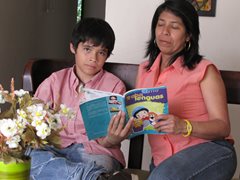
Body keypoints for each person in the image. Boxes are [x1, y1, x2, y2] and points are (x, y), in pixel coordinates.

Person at [136, 0, 237, 179]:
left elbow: (222, 127)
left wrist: (184, 125)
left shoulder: (204, 69)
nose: (164, 32)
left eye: (174, 27)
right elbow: (141, 120)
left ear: (189, 35)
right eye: (160, 25)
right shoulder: (145, 69)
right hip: (164, 162)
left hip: (211, 151)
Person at [27, 17, 133, 180]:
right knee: (29, 157)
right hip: (54, 149)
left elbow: (107, 140)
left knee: (101, 164)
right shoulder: (55, 81)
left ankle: (87, 174)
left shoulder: (114, 86)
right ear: (73, 47)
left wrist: (112, 139)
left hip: (93, 152)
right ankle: (93, 178)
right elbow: (33, 118)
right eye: (88, 49)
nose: (93, 58)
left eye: (101, 52)